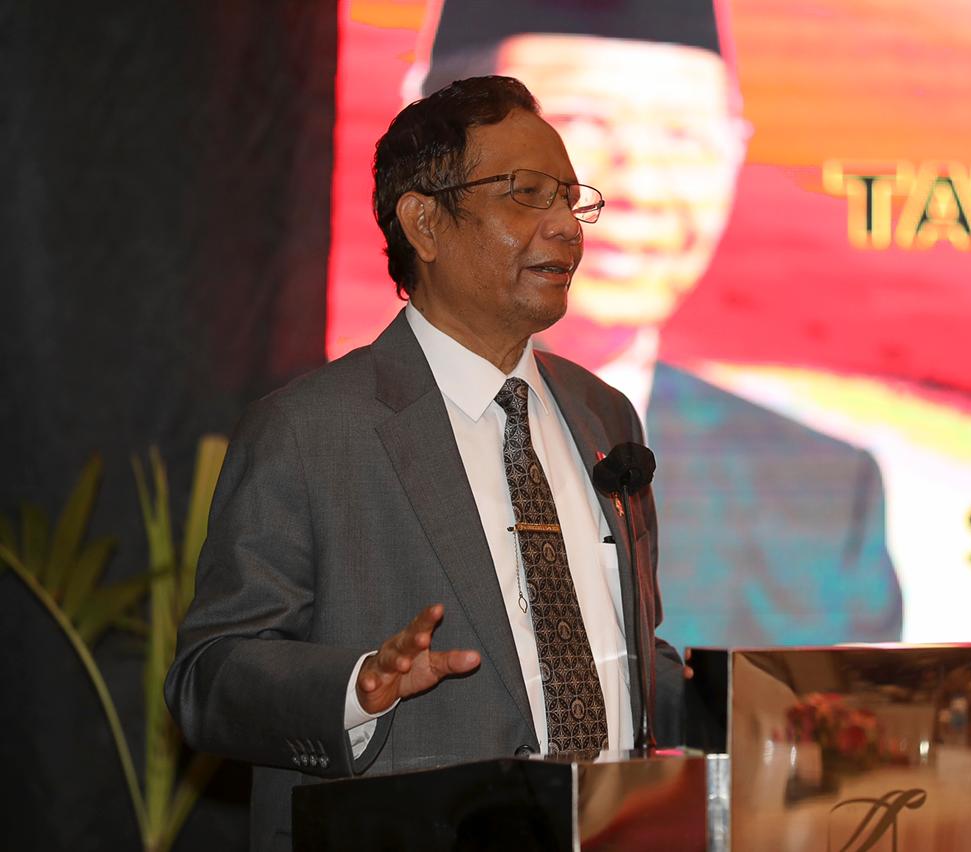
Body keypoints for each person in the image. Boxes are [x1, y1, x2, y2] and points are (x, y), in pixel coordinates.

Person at [165, 76, 684, 852]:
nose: (565, 228)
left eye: (571, 200)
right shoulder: (308, 431)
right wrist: (356, 688)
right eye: (527, 194)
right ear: (426, 223)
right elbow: (208, 679)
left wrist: (773, 704)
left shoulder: (603, 415)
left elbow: (623, 658)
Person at [407, 0, 904, 648]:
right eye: (581, 126)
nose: (639, 185)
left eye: (683, 138)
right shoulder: (329, 440)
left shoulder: (820, 497)